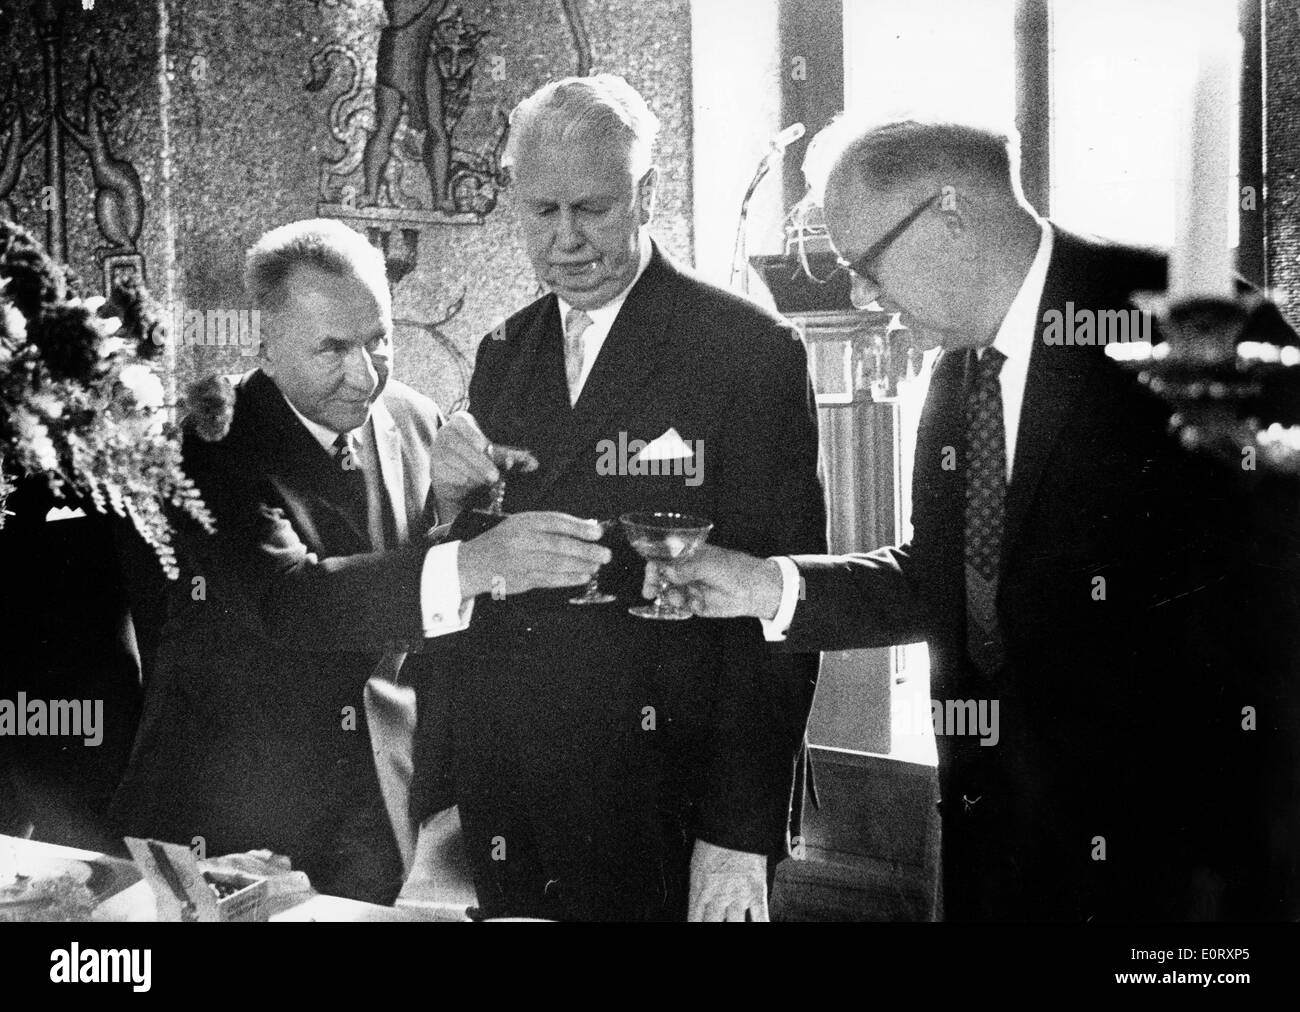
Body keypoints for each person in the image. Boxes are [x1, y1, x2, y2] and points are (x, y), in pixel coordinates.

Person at [646, 116, 1292, 920]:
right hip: (1004, 865)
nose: (862, 298)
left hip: (1179, 882)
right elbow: (943, 580)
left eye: (867, 267)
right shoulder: (958, 376)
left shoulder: (1189, 323)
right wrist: (765, 586)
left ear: (948, 213)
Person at [408, 74, 828, 921]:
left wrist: (738, 836)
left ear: (648, 193)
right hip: (513, 796)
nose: (564, 239)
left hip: (667, 806)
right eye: (540, 211)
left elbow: (780, 614)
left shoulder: (748, 351)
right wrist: (445, 509)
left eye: (592, 209)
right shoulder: (503, 353)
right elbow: (478, 575)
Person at [110, 218, 606, 903]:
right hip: (219, 814)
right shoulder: (207, 444)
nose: (364, 375)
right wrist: (470, 560)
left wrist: (461, 512)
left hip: (373, 817)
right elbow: (290, 600)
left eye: (380, 341)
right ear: (265, 343)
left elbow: (417, 603)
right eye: (333, 349)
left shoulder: (413, 417)